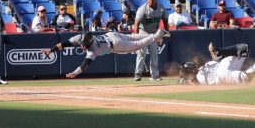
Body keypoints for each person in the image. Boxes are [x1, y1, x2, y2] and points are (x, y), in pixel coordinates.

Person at [41, 28, 171, 79]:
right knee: (133, 37)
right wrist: (51, 50)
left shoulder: (93, 49)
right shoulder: (81, 37)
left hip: (115, 44)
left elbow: (85, 64)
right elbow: (64, 44)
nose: (82, 46)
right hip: (111, 35)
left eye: (84, 45)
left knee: (138, 45)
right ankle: (154, 35)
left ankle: (157, 35)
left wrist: (75, 73)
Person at [178, 43, 255, 85]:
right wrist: (214, 52)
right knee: (244, 49)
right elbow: (216, 60)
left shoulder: (199, 78)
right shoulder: (208, 63)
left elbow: (192, 82)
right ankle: (221, 50)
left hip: (222, 75)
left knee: (245, 79)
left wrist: (184, 81)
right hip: (224, 62)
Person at [132, 0, 168, 81]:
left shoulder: (161, 8)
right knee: (141, 53)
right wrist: (136, 38)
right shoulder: (142, 9)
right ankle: (138, 73)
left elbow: (165, 21)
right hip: (143, 32)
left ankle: (154, 74)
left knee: (154, 53)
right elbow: (136, 24)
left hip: (154, 33)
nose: (151, 0)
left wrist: (166, 32)